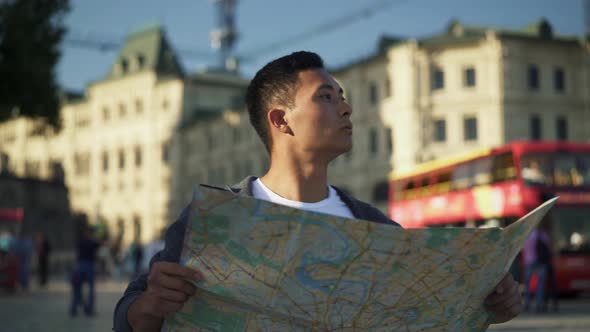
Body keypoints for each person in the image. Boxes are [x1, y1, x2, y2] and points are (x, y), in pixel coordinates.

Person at [113, 51, 523, 331]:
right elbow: (130, 315)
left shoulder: (377, 228)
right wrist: (149, 305)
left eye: (343, 98)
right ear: (281, 121)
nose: (346, 108)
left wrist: (485, 304)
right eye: (326, 97)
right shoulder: (215, 220)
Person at [523, 217, 557, 313]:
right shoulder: (543, 235)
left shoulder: (527, 235)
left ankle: (527, 303)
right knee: (540, 285)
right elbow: (550, 248)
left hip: (529, 262)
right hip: (541, 262)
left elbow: (523, 249)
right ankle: (538, 304)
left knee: (527, 284)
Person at [70, 226, 100, 316]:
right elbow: (98, 246)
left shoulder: (80, 241)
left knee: (77, 287)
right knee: (89, 289)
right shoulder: (92, 242)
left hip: (80, 266)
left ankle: (74, 308)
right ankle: (88, 308)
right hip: (88, 266)